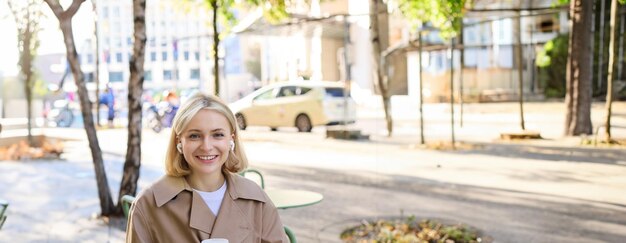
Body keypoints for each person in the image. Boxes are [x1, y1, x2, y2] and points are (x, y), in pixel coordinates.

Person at [126, 93, 288, 242]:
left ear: (231, 140)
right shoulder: (148, 204)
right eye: (194, 136)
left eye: (217, 134)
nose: (206, 146)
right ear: (179, 142)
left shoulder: (256, 201)